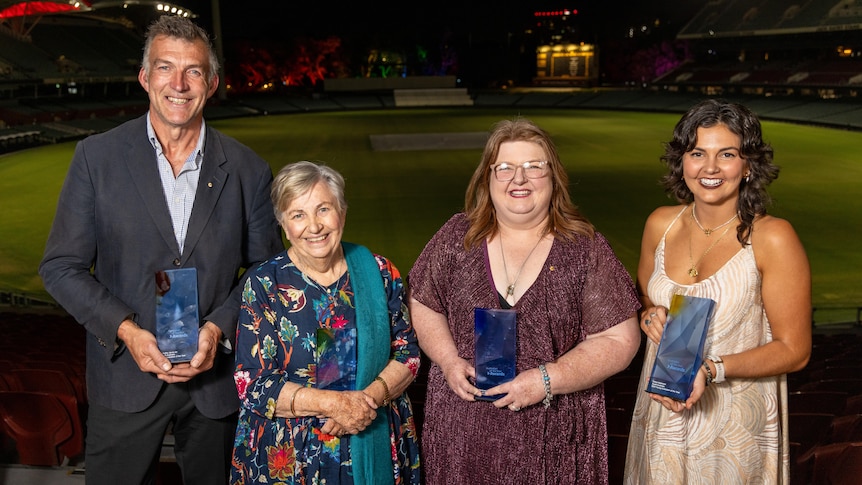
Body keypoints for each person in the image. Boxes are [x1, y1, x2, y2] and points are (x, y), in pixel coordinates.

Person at [38, 15, 283, 485]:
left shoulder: (249, 170)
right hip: (124, 379)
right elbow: (61, 267)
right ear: (144, 77)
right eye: (165, 67)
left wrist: (217, 329)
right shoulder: (96, 157)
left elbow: (266, 272)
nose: (178, 83)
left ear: (211, 83)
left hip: (214, 384)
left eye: (193, 71)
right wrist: (127, 331)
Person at [408, 118, 641, 484]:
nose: (519, 179)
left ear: (554, 178)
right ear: (488, 178)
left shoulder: (585, 248)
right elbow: (424, 303)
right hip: (463, 434)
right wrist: (448, 359)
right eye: (505, 168)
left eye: (534, 167)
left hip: (554, 437)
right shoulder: (457, 236)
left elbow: (619, 340)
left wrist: (547, 380)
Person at [624, 99, 811, 484]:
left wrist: (711, 370)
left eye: (726, 154)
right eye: (697, 153)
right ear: (682, 162)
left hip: (734, 432)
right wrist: (647, 314)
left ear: (748, 166)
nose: (709, 168)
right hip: (662, 417)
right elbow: (643, 298)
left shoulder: (773, 237)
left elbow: (795, 351)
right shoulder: (660, 224)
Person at [230, 161, 421, 484]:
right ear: (283, 224)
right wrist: (336, 405)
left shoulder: (380, 272)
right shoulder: (265, 283)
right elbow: (252, 383)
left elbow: (408, 354)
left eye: (323, 209)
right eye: (298, 215)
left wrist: (366, 401)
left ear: (342, 213)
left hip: (371, 434)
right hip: (289, 460)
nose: (314, 226)